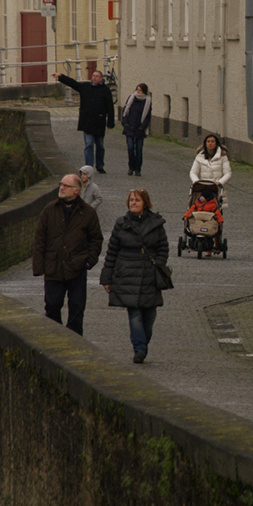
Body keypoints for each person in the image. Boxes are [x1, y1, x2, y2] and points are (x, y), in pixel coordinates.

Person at [100, 188, 169, 364]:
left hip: (149, 275)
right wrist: (106, 278)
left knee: (150, 315)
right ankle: (139, 348)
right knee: (135, 314)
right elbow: (112, 252)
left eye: (137, 200)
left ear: (145, 203)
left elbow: (163, 248)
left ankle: (143, 342)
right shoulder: (121, 224)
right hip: (127, 275)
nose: (133, 203)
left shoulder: (156, 223)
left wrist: (158, 266)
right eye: (131, 200)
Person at [32, 174, 104, 336]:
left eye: (66, 186)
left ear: (77, 191)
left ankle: (75, 340)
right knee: (52, 305)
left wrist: (88, 261)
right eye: (61, 184)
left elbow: (96, 240)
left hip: (77, 267)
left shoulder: (87, 213)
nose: (62, 188)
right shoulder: (50, 210)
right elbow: (39, 239)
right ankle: (54, 337)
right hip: (53, 266)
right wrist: (39, 266)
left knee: (77, 308)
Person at [54, 70, 116, 173]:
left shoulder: (105, 90)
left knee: (100, 145)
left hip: (99, 121)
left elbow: (110, 107)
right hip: (87, 121)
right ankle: (89, 166)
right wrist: (61, 76)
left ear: (101, 79)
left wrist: (110, 122)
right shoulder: (86, 87)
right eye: (93, 76)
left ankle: (99, 165)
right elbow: (73, 83)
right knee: (89, 144)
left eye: (97, 76)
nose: (94, 77)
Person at [189, 134, 232, 207]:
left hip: (217, 188)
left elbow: (228, 173)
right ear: (205, 144)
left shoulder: (222, 157)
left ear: (216, 143)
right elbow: (193, 172)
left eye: (212, 141)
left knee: (217, 210)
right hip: (203, 188)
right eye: (208, 141)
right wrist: (196, 182)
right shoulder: (200, 157)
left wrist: (220, 182)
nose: (210, 143)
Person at [122, 83, 152, 176]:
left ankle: (138, 169)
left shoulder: (147, 101)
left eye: (140, 90)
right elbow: (125, 110)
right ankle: (131, 167)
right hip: (130, 127)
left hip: (140, 128)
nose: (138, 91)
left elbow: (148, 115)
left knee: (139, 150)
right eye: (137, 89)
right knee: (130, 148)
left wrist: (142, 127)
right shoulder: (132, 97)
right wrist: (125, 123)